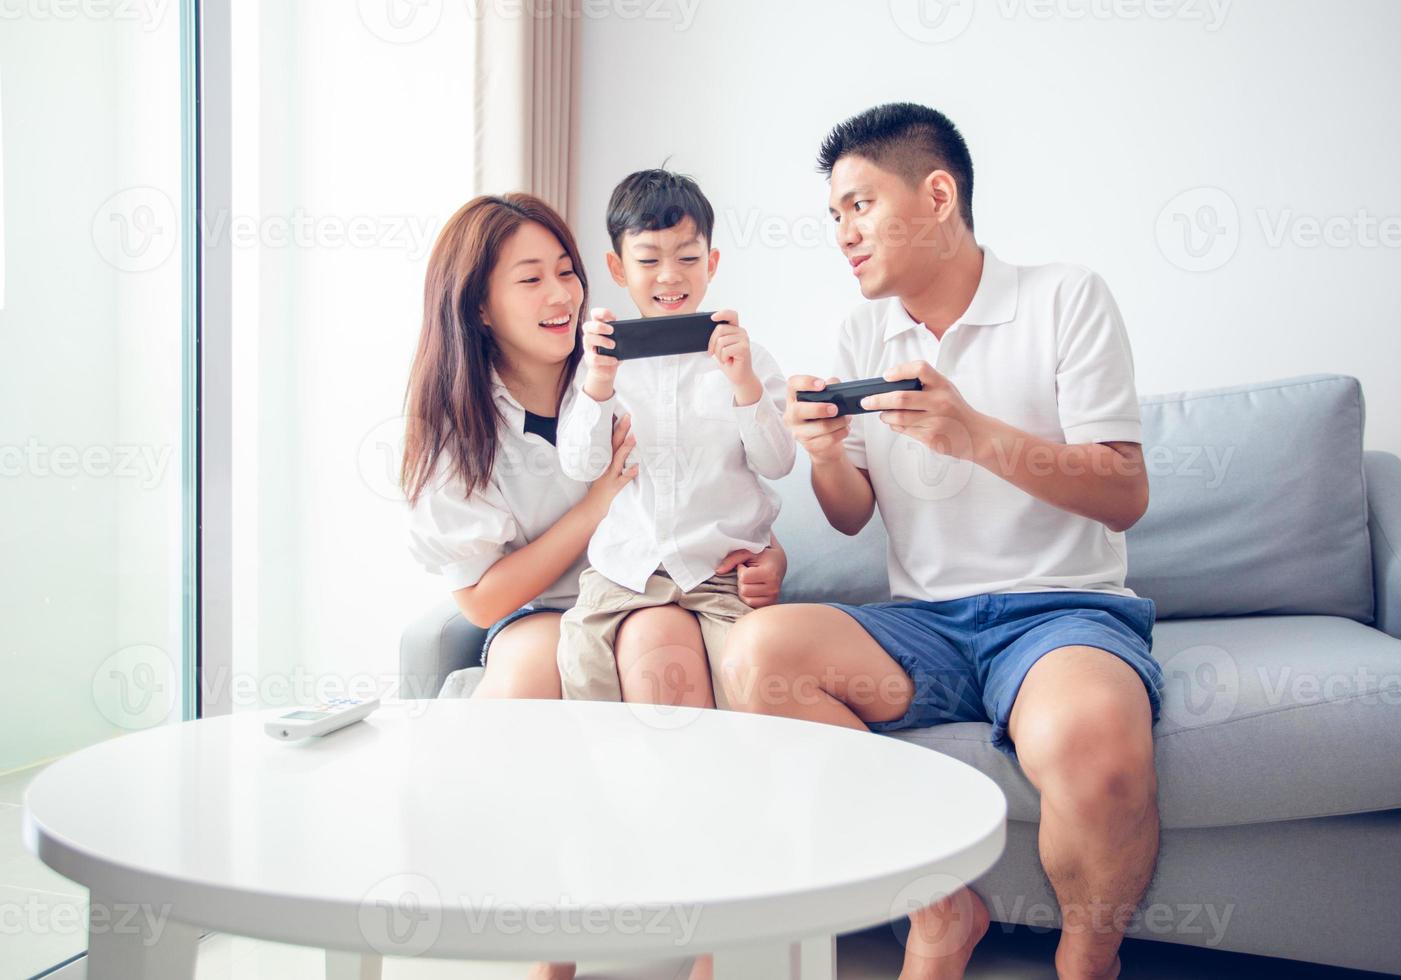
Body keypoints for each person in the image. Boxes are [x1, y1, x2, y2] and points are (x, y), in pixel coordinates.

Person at [720, 104, 1163, 980]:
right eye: (834, 217)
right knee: (757, 653)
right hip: (925, 624)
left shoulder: (1064, 297)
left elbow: (1125, 492)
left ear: (936, 194)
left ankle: (1088, 959)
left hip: (1058, 613)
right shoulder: (861, 334)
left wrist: (977, 436)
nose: (844, 234)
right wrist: (824, 457)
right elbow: (850, 514)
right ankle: (942, 906)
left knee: (1091, 738)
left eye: (859, 206)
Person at [401, 193, 786, 980]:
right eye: (531, 279)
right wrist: (596, 504)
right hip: (544, 603)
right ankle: (547, 945)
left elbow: (722, 475)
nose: (561, 296)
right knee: (524, 692)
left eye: (567, 273)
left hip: (663, 587)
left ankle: (710, 926)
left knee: (659, 660)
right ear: (478, 306)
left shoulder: (632, 354)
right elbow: (480, 600)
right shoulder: (460, 419)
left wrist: (767, 547)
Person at [556, 169, 796, 709]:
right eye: (648, 260)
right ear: (618, 268)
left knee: (755, 690)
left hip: (720, 572)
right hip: (628, 569)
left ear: (711, 264)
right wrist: (598, 384)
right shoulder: (599, 365)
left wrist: (745, 385)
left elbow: (778, 463)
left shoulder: (749, 360)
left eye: (688, 258)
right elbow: (580, 464)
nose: (670, 275)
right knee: (582, 662)